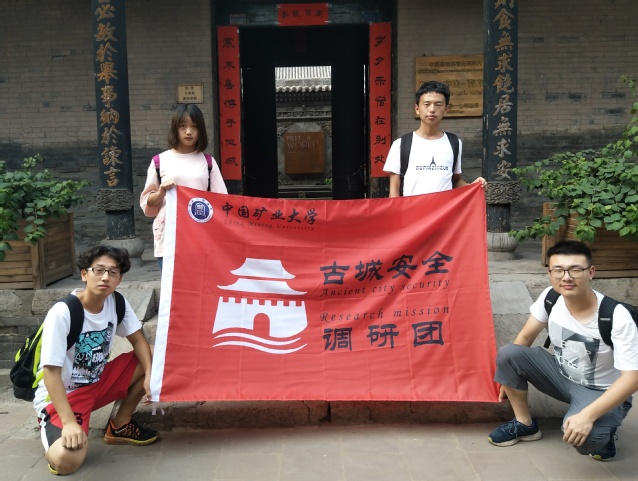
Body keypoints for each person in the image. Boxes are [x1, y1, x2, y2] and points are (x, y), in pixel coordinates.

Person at [488, 240, 638, 461]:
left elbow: (632, 379)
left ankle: (605, 430)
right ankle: (524, 424)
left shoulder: (616, 316)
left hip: (600, 390)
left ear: (591, 272)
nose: (566, 277)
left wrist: (587, 416)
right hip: (560, 376)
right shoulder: (551, 297)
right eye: (558, 270)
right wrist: (507, 377)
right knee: (509, 353)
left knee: (586, 439)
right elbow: (526, 337)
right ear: (550, 273)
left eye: (575, 270)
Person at [35, 245, 158, 476]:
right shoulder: (63, 312)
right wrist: (69, 423)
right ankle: (55, 430)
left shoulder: (116, 302)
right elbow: (51, 372)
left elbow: (139, 341)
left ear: (119, 278)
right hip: (66, 395)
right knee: (66, 461)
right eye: (98, 270)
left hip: (98, 383)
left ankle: (121, 426)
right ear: (84, 274)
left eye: (113, 272)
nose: (105, 277)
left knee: (154, 354)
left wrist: (150, 376)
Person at [140, 103, 227, 269]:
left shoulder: (208, 162)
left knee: (200, 283)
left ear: (201, 130)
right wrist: (161, 191)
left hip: (201, 236)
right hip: (169, 237)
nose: (188, 132)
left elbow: (222, 202)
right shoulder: (159, 161)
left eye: (194, 126)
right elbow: (147, 202)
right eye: (183, 126)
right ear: (175, 128)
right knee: (171, 284)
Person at [383, 80, 486, 197]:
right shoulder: (401, 144)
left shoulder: (454, 142)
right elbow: (394, 191)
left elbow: (455, 180)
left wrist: (473, 186)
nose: (432, 109)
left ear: (446, 109)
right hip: (412, 209)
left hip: (445, 209)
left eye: (438, 105)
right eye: (426, 104)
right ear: (417, 108)